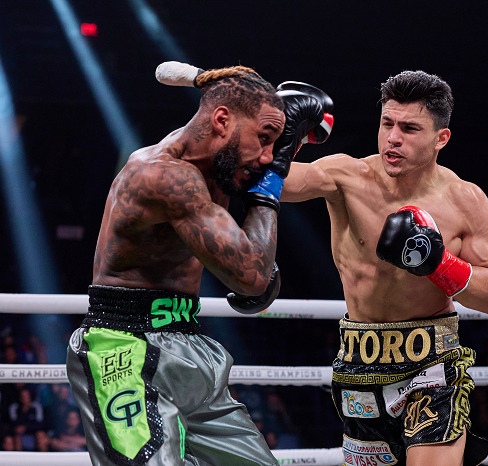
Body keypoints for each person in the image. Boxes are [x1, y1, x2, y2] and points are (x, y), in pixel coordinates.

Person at [65, 63, 331, 465]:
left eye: (274, 145)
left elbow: (256, 270)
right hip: (123, 348)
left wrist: (279, 143)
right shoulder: (164, 176)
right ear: (221, 121)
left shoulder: (219, 166)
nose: (267, 156)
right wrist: (275, 174)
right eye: (264, 139)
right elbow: (252, 278)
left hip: (189, 344)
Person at [282, 70, 488, 465]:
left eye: (410, 128)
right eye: (387, 123)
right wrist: (283, 137)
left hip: (431, 364)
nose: (393, 137)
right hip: (360, 362)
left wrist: (437, 263)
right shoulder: (345, 177)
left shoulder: (465, 200)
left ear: (441, 138)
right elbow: (268, 185)